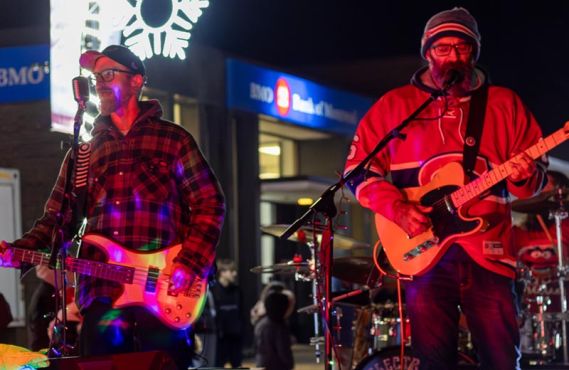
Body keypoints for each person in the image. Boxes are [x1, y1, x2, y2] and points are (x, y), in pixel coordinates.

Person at [344, 7, 547, 369]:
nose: (453, 57)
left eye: (462, 48)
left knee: (502, 358)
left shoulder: (505, 104)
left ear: (474, 52)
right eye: (443, 49)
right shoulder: (395, 106)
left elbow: (529, 187)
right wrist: (397, 209)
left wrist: (523, 174)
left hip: (490, 252)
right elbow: (357, 173)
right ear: (427, 52)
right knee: (434, 359)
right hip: (424, 254)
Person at [1, 44, 225, 369]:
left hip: (163, 294)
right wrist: (17, 251)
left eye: (109, 74)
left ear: (136, 81)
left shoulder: (174, 140)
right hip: (101, 294)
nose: (100, 83)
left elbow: (210, 203)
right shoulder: (83, 154)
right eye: (96, 77)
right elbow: (56, 220)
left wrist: (189, 263)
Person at [210, 259, 243, 368]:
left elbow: (241, 313)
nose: (235, 273)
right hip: (220, 336)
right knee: (218, 365)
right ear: (223, 272)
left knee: (237, 364)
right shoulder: (213, 290)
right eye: (231, 271)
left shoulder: (237, 290)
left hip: (235, 335)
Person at [254, 291, 294, 370]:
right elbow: (283, 352)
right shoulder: (278, 327)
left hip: (261, 364)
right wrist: (289, 364)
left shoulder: (261, 323)